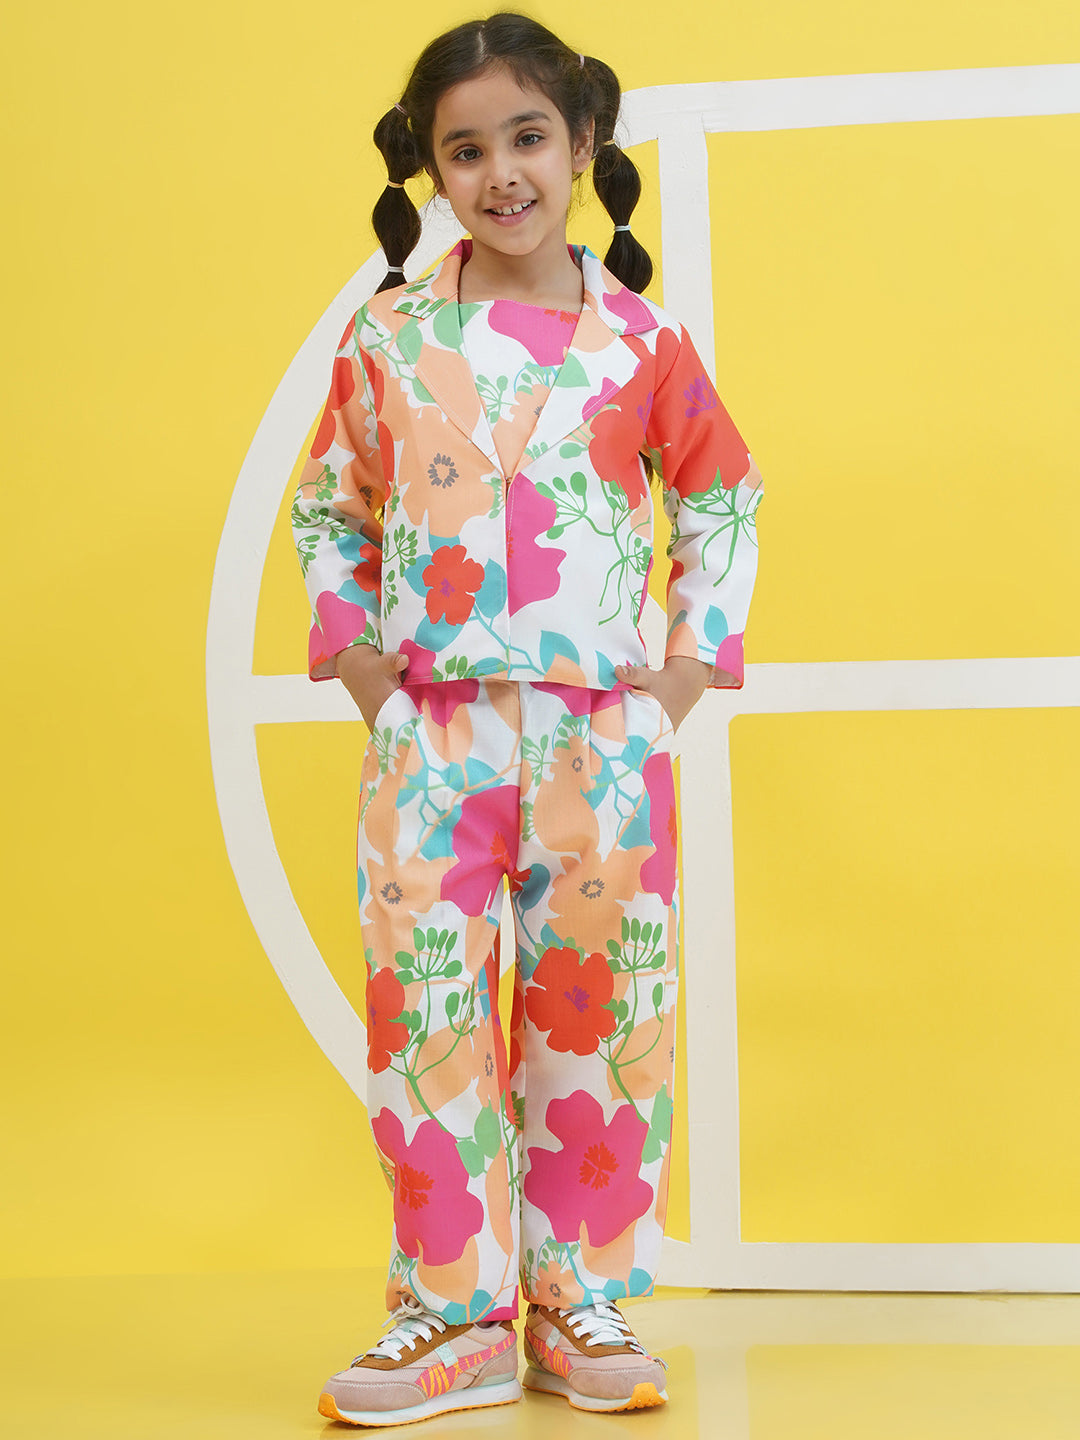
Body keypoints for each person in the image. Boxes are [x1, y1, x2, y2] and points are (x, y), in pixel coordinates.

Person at [291, 11, 763, 1426]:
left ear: (583, 144)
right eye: (466, 150)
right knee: (426, 1012)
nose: (501, 173)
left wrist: (682, 676)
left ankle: (577, 1300)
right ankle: (451, 1318)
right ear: (430, 170)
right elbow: (330, 505)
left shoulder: (642, 343)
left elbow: (724, 496)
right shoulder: (387, 335)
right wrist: (361, 664)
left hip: (599, 739)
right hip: (431, 735)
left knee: (600, 1009)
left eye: (528, 138)